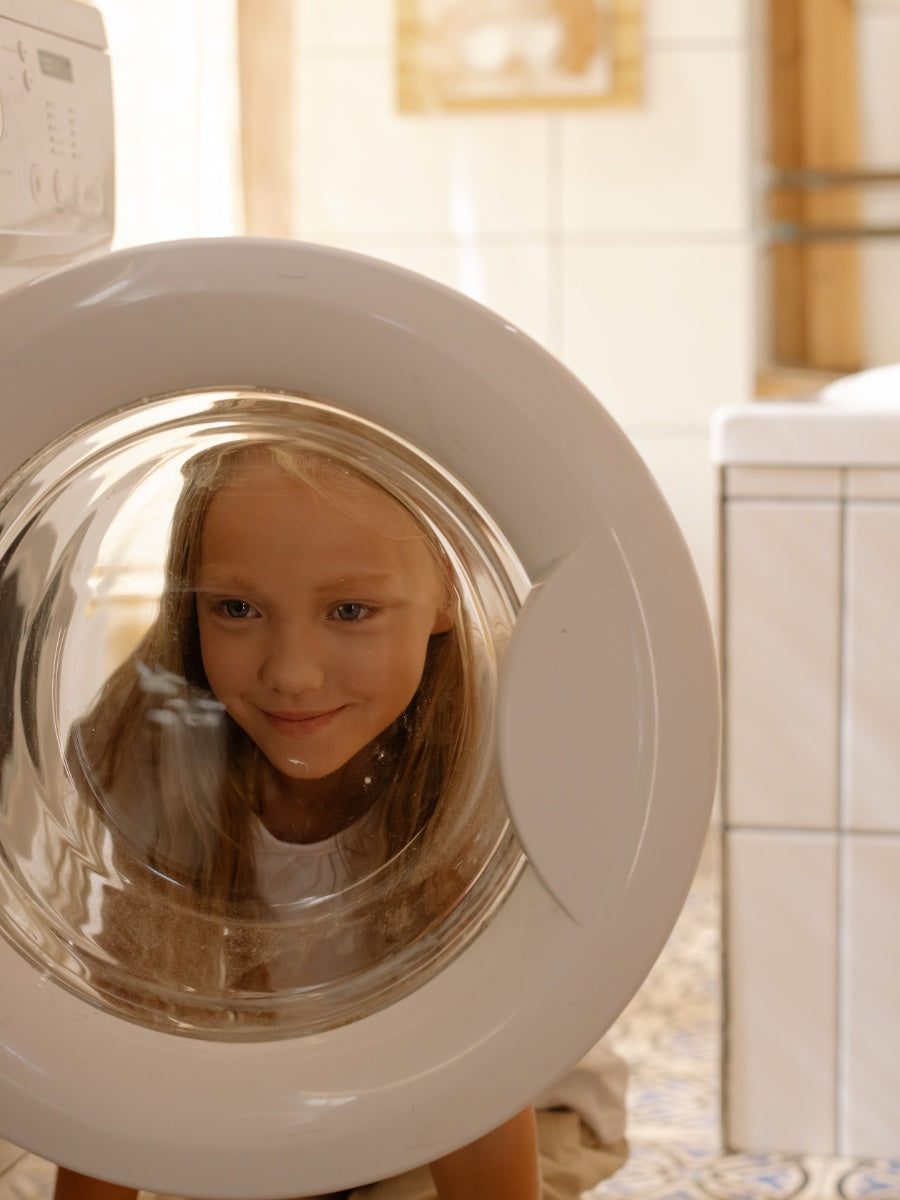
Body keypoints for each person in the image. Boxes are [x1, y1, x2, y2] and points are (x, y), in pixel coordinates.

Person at [54, 437, 627, 1200]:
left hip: (512, 1108)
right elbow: (128, 1041)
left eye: (351, 610)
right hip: (292, 1106)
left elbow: (470, 1070)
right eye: (236, 608)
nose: (292, 672)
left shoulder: (488, 754)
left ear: (448, 590)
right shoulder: (152, 744)